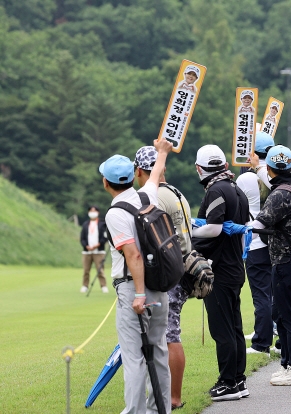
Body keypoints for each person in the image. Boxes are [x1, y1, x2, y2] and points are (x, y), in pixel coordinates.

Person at [100, 137, 173, 413]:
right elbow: (155, 174)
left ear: (106, 183)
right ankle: (160, 410)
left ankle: (135, 412)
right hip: (160, 286)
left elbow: (133, 255)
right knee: (159, 352)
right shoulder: (146, 196)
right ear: (133, 176)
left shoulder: (115, 213)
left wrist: (139, 294)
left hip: (135, 290)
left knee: (134, 358)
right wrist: (163, 151)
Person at [133, 145, 192, 410]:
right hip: (183, 264)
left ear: (138, 171)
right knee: (169, 333)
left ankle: (173, 397)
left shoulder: (154, 197)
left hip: (167, 272)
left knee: (168, 336)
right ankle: (168, 395)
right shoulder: (177, 192)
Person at [190, 145, 250, 401]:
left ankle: (227, 383)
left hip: (218, 270)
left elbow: (213, 229)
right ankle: (238, 380)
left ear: (199, 168)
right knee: (234, 326)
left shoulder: (215, 189)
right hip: (235, 266)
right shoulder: (235, 187)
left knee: (222, 329)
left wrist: (187, 232)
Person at [248, 145, 291, 386]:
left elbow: (262, 222)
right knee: (283, 314)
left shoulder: (280, 195)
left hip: (286, 261)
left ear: (272, 170)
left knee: (290, 316)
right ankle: (287, 364)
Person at [236, 132, 276, 355]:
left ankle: (262, 343)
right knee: (275, 294)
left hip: (255, 241)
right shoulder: (275, 176)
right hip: (276, 242)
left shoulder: (245, 179)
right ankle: (277, 338)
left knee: (261, 295)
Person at [79, 206, 108, 293]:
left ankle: (103, 286)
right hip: (87, 251)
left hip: (98, 250)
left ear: (98, 212)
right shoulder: (85, 224)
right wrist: (86, 245)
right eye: (91, 211)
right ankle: (85, 286)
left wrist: (98, 245)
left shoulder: (102, 224)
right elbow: (82, 238)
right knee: (86, 270)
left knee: (100, 270)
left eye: (94, 211)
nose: (92, 212)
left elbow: (105, 237)